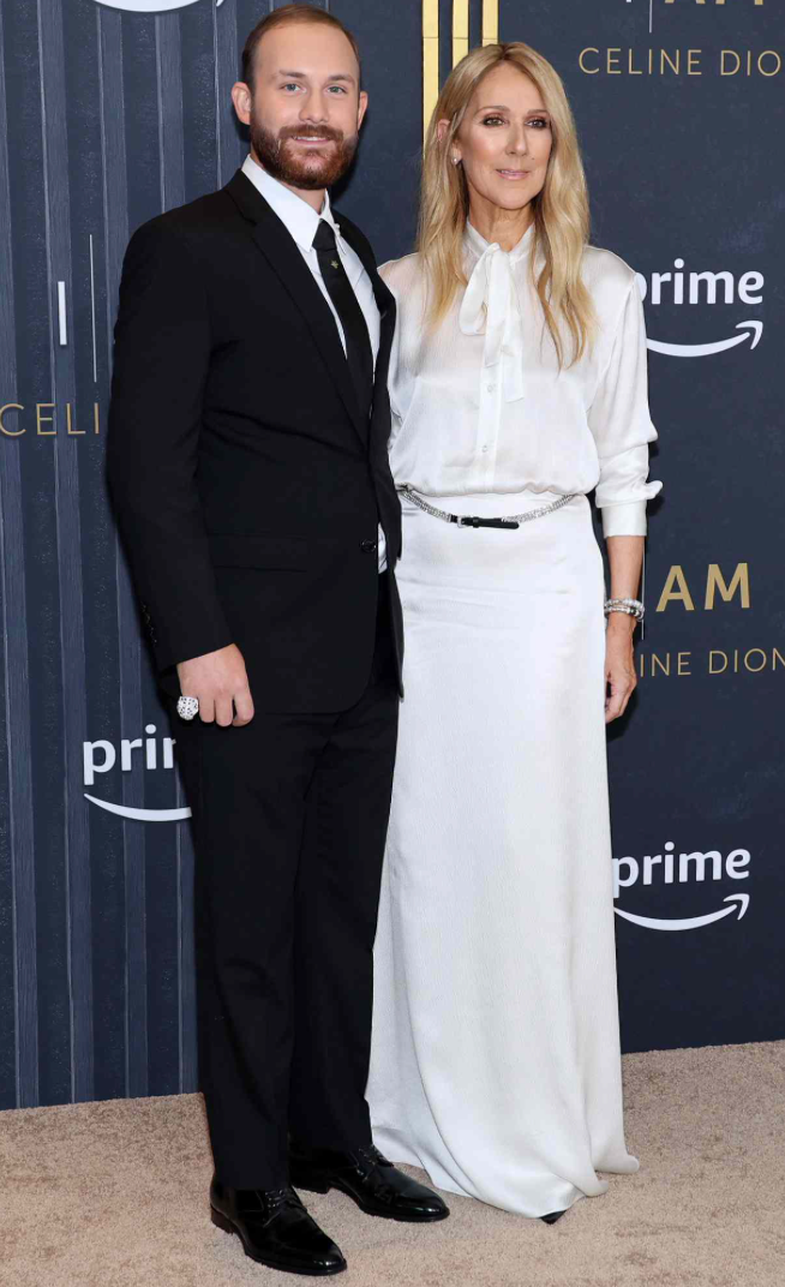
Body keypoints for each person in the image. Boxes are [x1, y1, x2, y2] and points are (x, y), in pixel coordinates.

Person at [107, 5, 447, 1277]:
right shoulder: (186, 248)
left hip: (359, 650)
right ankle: (248, 1179)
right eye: (289, 87)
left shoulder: (355, 251)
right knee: (251, 926)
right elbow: (148, 469)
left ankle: (328, 1137)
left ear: (362, 112)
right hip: (243, 659)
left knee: (336, 918)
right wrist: (198, 643)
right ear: (245, 104)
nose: (315, 110)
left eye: (337, 89)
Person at [367, 41, 660, 1222]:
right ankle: (414, 1116)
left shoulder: (605, 286)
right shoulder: (390, 290)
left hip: (547, 586)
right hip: (423, 587)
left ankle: (538, 1125)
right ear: (451, 139)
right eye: (491, 120)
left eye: (536, 125)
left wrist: (618, 621)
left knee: (534, 858)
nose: (514, 145)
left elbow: (623, 471)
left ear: (556, 147)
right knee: (428, 859)